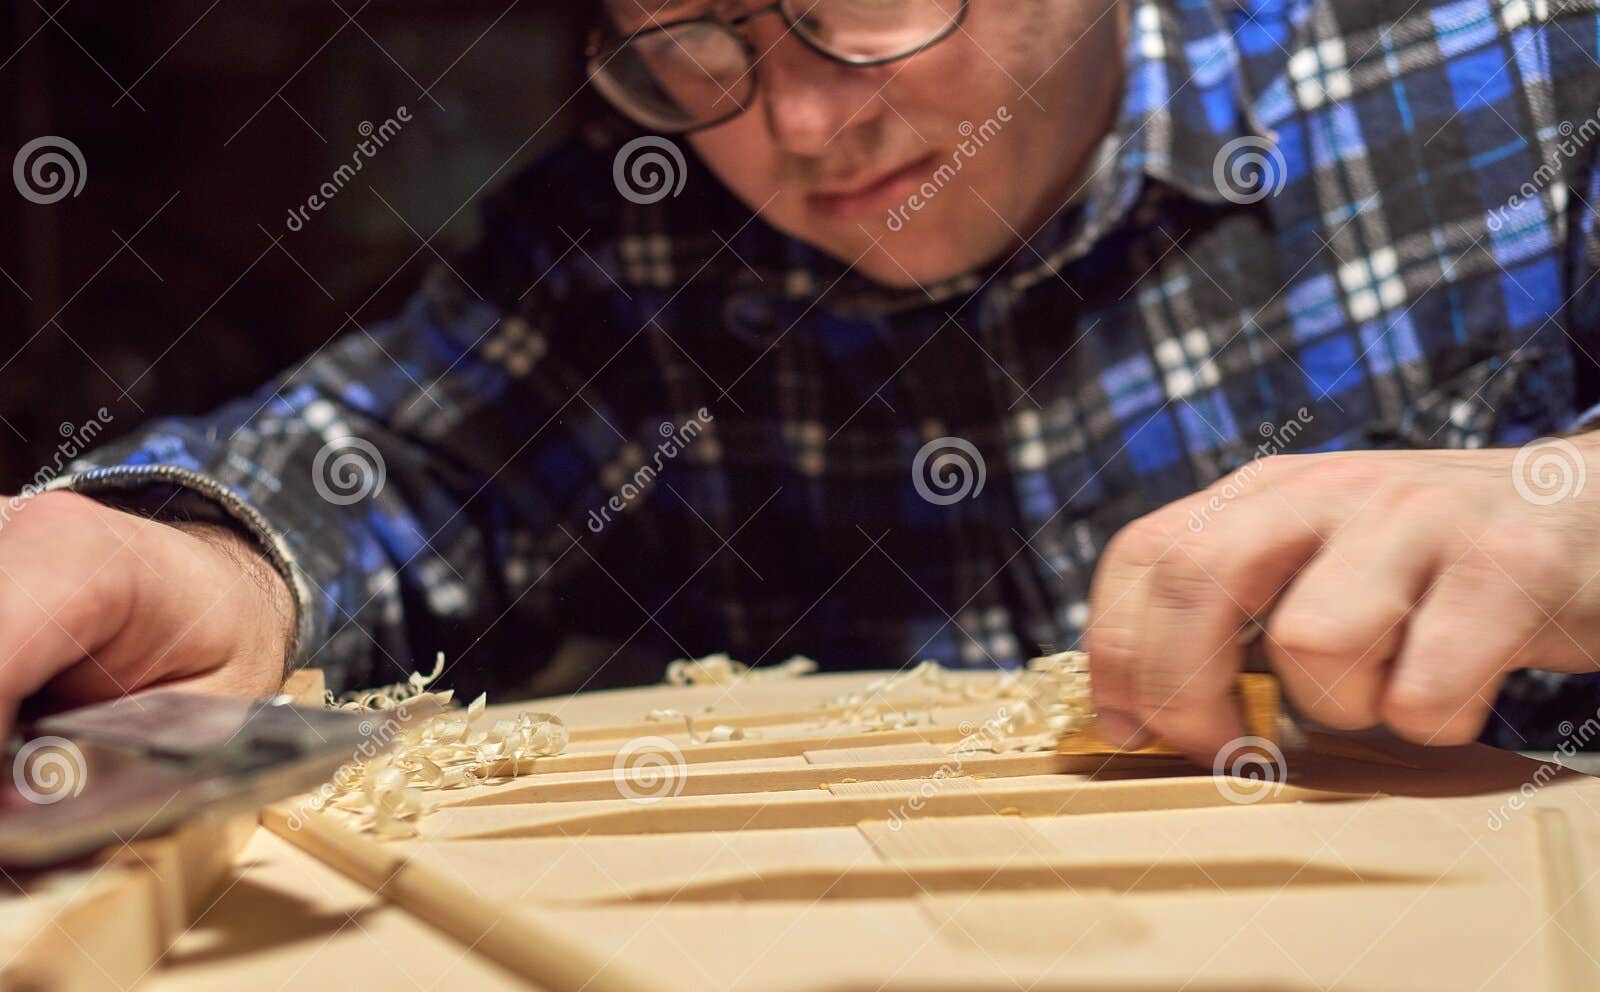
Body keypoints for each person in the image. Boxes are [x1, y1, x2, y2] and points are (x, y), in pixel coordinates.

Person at [7, 0, 1600, 762]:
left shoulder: (1520, 60)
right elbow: (382, 456)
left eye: (859, 8)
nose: (802, 126)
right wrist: (181, 556)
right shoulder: (637, 233)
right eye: (696, 43)